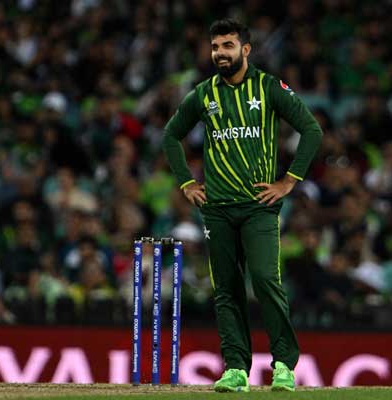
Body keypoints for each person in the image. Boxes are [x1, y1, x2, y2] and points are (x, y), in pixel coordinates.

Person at [162, 19, 323, 392]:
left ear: (245, 50)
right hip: (216, 208)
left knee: (266, 281)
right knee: (227, 289)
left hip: (258, 207)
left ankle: (283, 365)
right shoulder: (202, 94)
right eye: (216, 46)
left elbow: (311, 129)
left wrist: (288, 181)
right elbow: (171, 135)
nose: (220, 53)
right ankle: (236, 369)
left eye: (228, 46)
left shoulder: (268, 87)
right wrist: (187, 182)